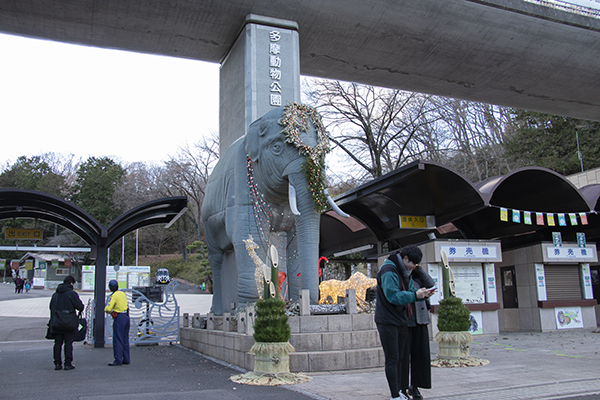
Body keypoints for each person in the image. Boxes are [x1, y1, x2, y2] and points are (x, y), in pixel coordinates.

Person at [375, 246, 435, 400]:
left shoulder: (404, 271)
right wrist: (415, 295)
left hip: (401, 319)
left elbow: (411, 290)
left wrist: (422, 295)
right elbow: (393, 296)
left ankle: (401, 392)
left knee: (401, 358)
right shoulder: (388, 270)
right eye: (413, 263)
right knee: (393, 359)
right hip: (387, 320)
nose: (414, 267)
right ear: (405, 258)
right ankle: (395, 395)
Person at [401, 265, 436, 400]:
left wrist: (419, 269)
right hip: (405, 320)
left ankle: (415, 386)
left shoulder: (418, 276)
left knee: (421, 356)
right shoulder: (399, 274)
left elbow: (431, 284)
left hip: (420, 320)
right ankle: (402, 388)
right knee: (404, 357)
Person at [49, 275, 84, 370]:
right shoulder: (72, 294)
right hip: (69, 323)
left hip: (57, 322)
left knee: (57, 343)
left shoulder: (55, 294)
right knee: (68, 343)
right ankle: (67, 363)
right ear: (71, 283)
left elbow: (51, 308)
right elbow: (80, 307)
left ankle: (57, 364)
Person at [104, 279, 130, 366]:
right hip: (126, 316)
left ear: (110, 288)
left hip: (119, 317)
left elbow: (107, 309)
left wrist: (111, 311)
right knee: (125, 339)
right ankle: (126, 358)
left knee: (118, 339)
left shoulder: (113, 296)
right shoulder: (122, 294)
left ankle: (118, 359)